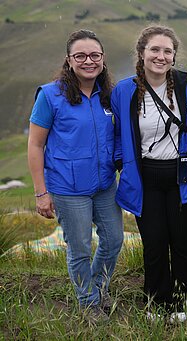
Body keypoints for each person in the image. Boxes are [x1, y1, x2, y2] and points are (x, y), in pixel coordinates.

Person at [27, 29, 124, 322]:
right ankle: (89, 304)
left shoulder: (109, 95)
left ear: (103, 59)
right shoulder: (50, 95)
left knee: (114, 240)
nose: (88, 61)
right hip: (68, 189)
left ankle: (98, 288)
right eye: (80, 56)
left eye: (95, 55)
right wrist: (41, 192)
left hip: (105, 185)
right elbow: (35, 145)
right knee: (80, 248)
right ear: (69, 60)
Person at [111, 25, 187, 322]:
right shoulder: (124, 90)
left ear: (174, 56)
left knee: (181, 241)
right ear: (141, 53)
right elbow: (116, 133)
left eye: (167, 51)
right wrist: (121, 164)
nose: (161, 56)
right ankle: (156, 301)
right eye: (154, 49)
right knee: (153, 242)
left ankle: (182, 303)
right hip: (144, 177)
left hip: (183, 175)